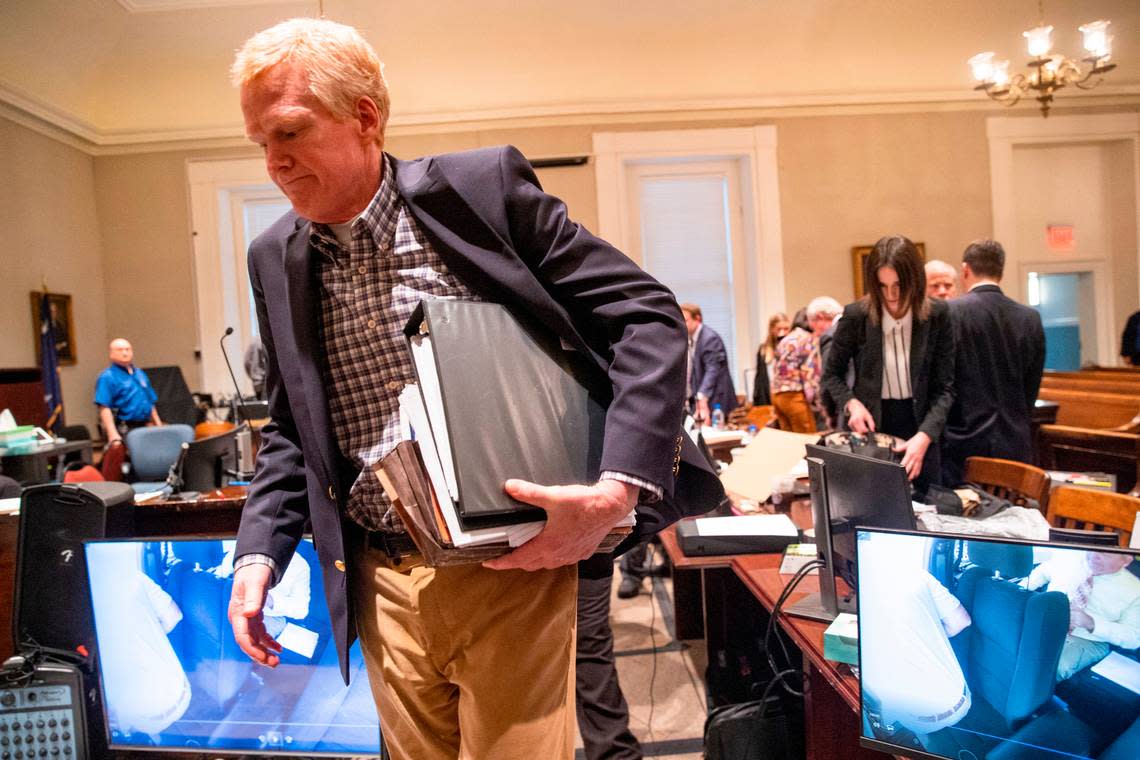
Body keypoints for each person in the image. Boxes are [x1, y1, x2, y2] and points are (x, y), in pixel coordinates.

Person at [225, 18, 722, 760]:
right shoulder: (275, 256)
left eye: (289, 134)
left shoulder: (477, 193)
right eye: (260, 143)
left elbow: (646, 316)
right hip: (375, 579)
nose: (274, 163)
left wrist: (618, 491)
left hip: (511, 567)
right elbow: (293, 430)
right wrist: (257, 557)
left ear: (366, 117)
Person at [821, 235, 955, 486]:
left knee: (926, 511)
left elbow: (946, 388)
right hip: (872, 429)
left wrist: (925, 436)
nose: (891, 295)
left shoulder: (938, 315)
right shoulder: (856, 316)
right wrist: (851, 404)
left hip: (922, 427)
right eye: (882, 286)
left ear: (914, 281)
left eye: (898, 285)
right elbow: (832, 375)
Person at [940, 240, 1045, 486]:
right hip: (1015, 440)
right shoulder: (1029, 318)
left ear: (965, 270)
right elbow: (1032, 384)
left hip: (962, 441)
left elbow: (944, 380)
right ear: (1001, 271)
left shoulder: (950, 313)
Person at [1028, 550, 1140, 681]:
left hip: (1089, 639)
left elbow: (1134, 638)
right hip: (1045, 620)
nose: (1095, 556)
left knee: (1046, 666)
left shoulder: (1135, 591)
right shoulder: (1069, 557)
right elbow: (1043, 572)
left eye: (1106, 554)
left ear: (1126, 560)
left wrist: (1091, 623)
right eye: (1092, 548)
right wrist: (1021, 590)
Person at [771, 296, 841, 432]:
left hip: (777, 395)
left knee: (788, 439)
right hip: (795, 396)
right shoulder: (808, 341)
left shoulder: (788, 339)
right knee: (805, 440)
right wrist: (820, 406)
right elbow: (809, 375)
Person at [94, 338, 163, 444]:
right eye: (120, 350)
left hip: (145, 425)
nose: (125, 353)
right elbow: (104, 407)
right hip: (125, 427)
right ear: (111, 354)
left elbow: (150, 401)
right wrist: (112, 434)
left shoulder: (140, 373)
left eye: (128, 349)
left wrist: (159, 425)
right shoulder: (107, 377)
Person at [683, 302, 738, 423]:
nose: (682, 324)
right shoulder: (692, 339)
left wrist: (702, 397)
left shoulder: (710, 338)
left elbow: (712, 370)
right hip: (704, 399)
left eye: (685, 320)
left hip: (716, 399)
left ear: (697, 319)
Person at [752, 312, 791, 406]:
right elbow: (759, 379)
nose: (782, 333)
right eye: (779, 329)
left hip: (787, 397)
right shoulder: (763, 350)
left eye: (786, 329)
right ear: (772, 329)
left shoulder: (793, 348)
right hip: (768, 398)